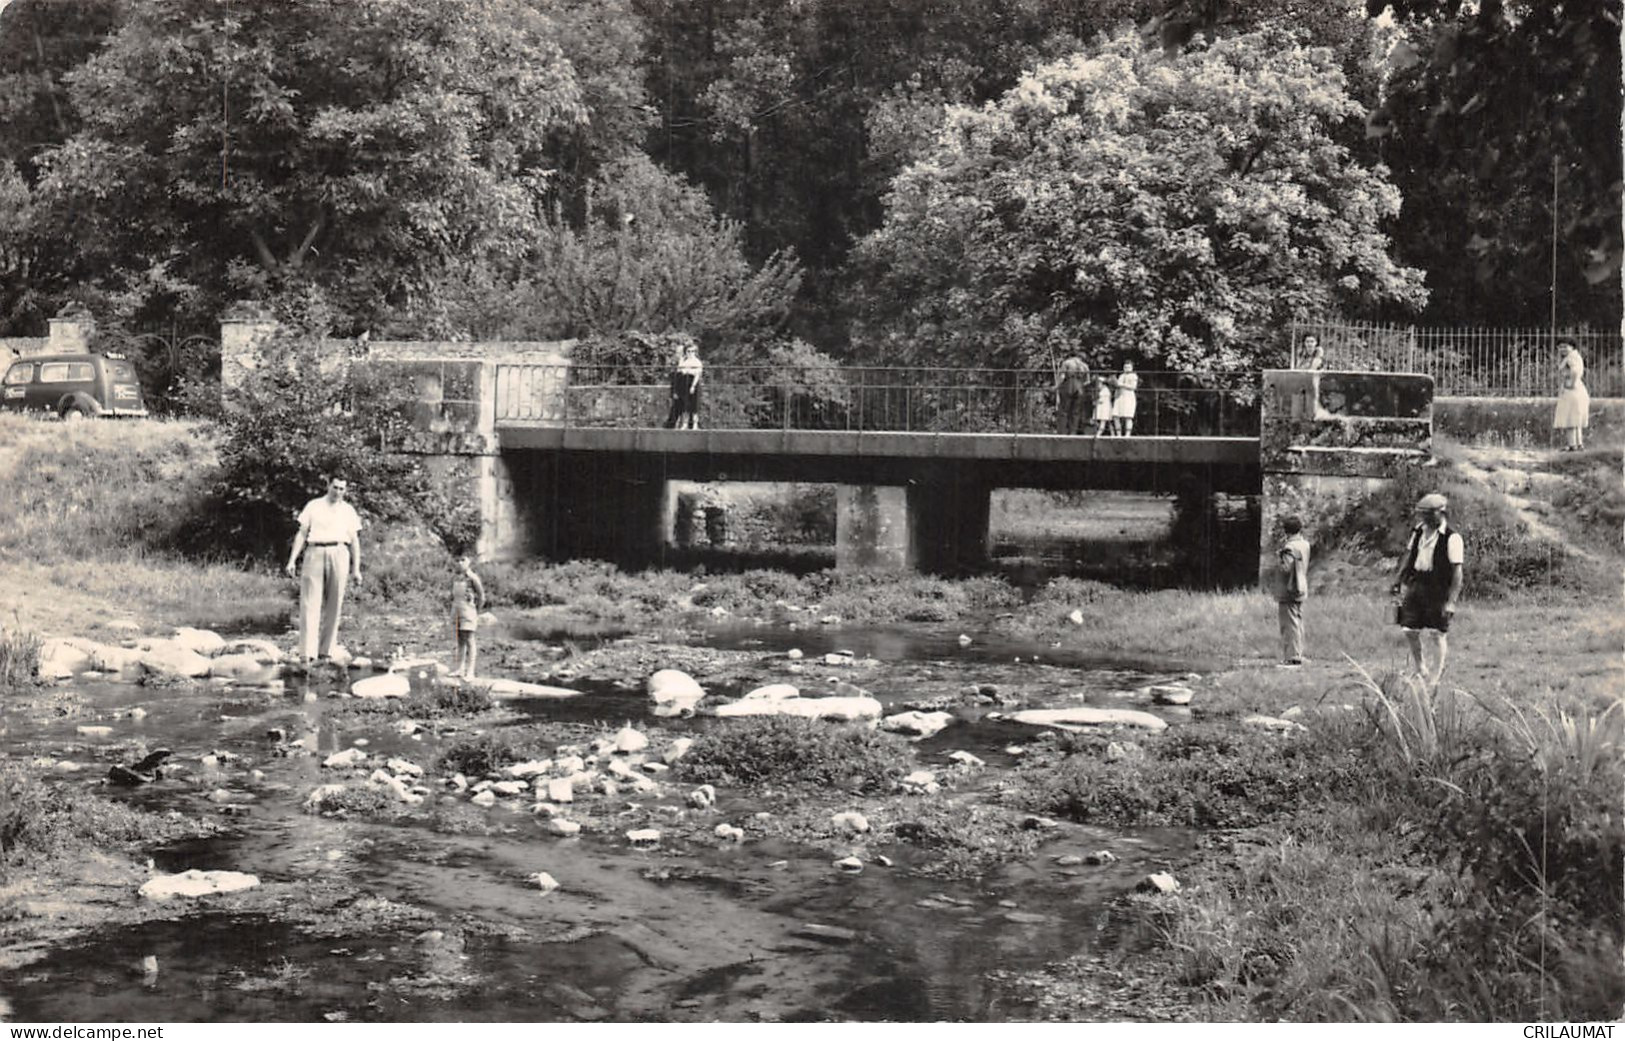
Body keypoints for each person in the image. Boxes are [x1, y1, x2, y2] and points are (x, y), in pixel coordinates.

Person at [286, 477, 364, 666]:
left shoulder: (348, 510)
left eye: (342, 489)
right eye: (335, 487)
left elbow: (354, 541)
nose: (338, 492)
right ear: (328, 486)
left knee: (335, 603)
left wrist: (356, 569)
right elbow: (302, 533)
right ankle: (307, 653)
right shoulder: (314, 506)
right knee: (309, 603)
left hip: (339, 551)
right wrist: (292, 560)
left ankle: (326, 651)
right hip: (315, 551)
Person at [1391, 493, 1464, 687]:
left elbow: (1457, 572)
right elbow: (1408, 556)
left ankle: (1436, 676)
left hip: (1438, 586)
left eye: (1428, 515)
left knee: (1437, 632)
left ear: (1441, 513)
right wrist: (1398, 580)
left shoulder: (1452, 538)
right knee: (1409, 628)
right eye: (1422, 515)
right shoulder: (1418, 532)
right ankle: (1420, 667)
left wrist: (1451, 601)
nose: (1424, 519)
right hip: (1417, 582)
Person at [1274, 515, 1311, 667]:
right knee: (1298, 622)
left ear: (1285, 531)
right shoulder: (1305, 544)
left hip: (1289, 589)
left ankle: (1292, 657)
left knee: (1288, 624)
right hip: (1301, 586)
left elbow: (1286, 568)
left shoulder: (1289, 547)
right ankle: (1298, 654)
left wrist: (1279, 557)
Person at [450, 555, 486, 680]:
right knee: (460, 639)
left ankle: (470, 672)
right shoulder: (456, 577)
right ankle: (460, 669)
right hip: (457, 610)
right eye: (458, 560)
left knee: (470, 640)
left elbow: (481, 596)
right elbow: (453, 595)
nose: (460, 563)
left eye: (463, 560)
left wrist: (476, 611)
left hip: (468, 611)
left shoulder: (473, 578)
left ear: (469, 562)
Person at [1553, 341, 1589, 452]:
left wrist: (1571, 383)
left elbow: (1574, 371)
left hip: (1572, 390)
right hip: (1578, 389)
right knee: (1575, 419)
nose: (1562, 349)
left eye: (1565, 346)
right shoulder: (1575, 356)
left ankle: (1572, 445)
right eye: (1560, 347)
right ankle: (1578, 444)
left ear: (1572, 346)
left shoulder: (1571, 358)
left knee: (1570, 418)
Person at [665, 343, 703, 430]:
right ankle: (684, 424)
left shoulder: (697, 362)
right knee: (686, 405)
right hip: (685, 383)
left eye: (693, 351)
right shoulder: (685, 361)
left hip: (692, 382)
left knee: (694, 406)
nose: (690, 353)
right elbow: (680, 371)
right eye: (688, 351)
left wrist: (693, 386)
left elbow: (697, 375)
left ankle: (694, 425)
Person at [1055, 355, 1090, 434]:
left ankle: (1062, 432)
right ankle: (1073, 432)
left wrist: (1057, 386)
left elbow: (1062, 376)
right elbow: (1088, 381)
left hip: (1068, 386)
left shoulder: (1066, 363)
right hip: (1080, 388)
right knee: (1076, 411)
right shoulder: (1084, 365)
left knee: (1064, 410)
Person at [1112, 360, 1138, 436]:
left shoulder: (1133, 376)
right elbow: (1118, 385)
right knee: (1115, 415)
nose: (1127, 368)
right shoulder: (1121, 376)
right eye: (1125, 367)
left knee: (1128, 416)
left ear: (1132, 368)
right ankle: (1118, 434)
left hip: (1128, 396)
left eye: (1129, 367)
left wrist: (1122, 385)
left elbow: (1133, 387)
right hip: (1120, 396)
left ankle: (1127, 434)